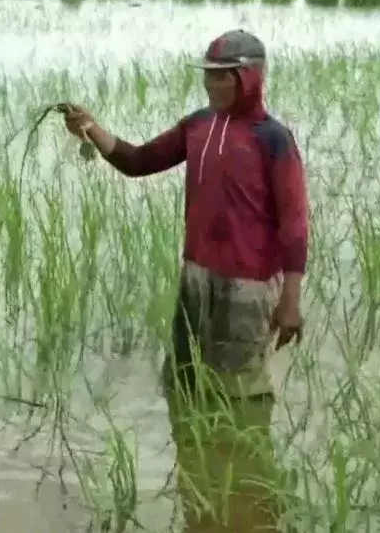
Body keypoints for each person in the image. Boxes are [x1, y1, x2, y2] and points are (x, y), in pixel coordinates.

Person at [63, 29, 308, 532]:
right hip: (196, 276)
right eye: (208, 76)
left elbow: (295, 226)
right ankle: (202, 484)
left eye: (221, 77)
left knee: (242, 394)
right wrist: (92, 129)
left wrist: (290, 300)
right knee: (186, 380)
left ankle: (248, 493)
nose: (211, 85)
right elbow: (137, 161)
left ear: (248, 77)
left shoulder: (273, 140)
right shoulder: (198, 126)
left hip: (249, 286)